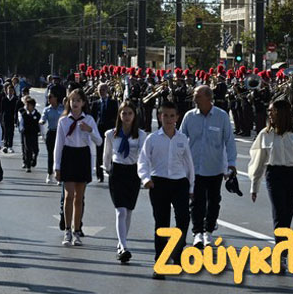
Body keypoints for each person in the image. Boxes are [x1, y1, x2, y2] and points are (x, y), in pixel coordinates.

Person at [248, 99, 293, 270]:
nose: (269, 114)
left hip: (292, 175)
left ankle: (283, 250)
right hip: (274, 175)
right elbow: (259, 161)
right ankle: (281, 254)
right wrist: (254, 186)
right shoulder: (265, 134)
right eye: (269, 111)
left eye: (272, 111)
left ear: (282, 113)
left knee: (287, 216)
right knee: (279, 214)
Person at [138, 101, 194, 280]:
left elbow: (189, 164)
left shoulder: (182, 138)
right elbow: (143, 161)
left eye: (172, 116)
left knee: (183, 219)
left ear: (177, 118)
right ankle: (160, 264)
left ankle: (177, 251)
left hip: (179, 183)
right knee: (161, 224)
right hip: (159, 183)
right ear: (159, 117)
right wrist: (146, 179)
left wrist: (191, 186)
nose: (169, 119)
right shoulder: (152, 138)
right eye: (165, 115)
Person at [179, 85, 237, 249]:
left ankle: (208, 232)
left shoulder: (221, 116)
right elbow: (181, 141)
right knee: (196, 201)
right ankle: (197, 232)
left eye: (197, 95)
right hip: (194, 167)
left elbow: (229, 141)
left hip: (215, 167)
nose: (194, 98)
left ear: (208, 98)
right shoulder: (189, 117)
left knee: (213, 201)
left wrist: (231, 164)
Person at [54, 88, 102, 247]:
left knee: (79, 197)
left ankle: (76, 230)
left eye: (78, 100)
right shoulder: (63, 121)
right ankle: (67, 230)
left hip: (82, 156)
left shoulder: (88, 120)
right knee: (68, 195)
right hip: (68, 155)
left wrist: (90, 131)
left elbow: (99, 141)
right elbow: (59, 144)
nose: (75, 103)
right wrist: (57, 166)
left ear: (83, 103)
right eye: (72, 100)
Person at [103, 101, 146, 264]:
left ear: (134, 116)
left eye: (130, 113)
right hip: (117, 172)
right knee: (120, 210)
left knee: (128, 211)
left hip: (133, 173)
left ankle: (122, 242)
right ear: (119, 116)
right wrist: (107, 169)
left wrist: (144, 175)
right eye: (124, 113)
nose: (126, 117)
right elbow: (107, 155)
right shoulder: (111, 134)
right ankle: (123, 246)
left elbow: (143, 155)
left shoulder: (141, 135)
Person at [90, 83, 119, 183]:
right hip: (99, 129)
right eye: (99, 89)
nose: (101, 91)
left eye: (103, 89)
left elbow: (117, 116)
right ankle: (99, 175)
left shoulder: (113, 102)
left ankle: (111, 171)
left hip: (110, 130)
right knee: (99, 151)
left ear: (107, 91)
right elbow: (92, 118)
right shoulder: (95, 103)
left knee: (110, 151)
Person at [40, 92, 64, 184]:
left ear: (56, 98)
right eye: (48, 97)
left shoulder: (62, 108)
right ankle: (49, 173)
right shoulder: (47, 109)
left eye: (51, 97)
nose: (49, 99)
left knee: (60, 154)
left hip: (60, 133)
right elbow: (43, 118)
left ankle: (59, 175)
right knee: (51, 154)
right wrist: (42, 121)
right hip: (51, 133)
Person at [18, 97, 41, 173]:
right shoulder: (24, 114)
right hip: (26, 133)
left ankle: (34, 159)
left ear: (33, 106)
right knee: (28, 149)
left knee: (36, 149)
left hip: (34, 133)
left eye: (29, 105)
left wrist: (42, 134)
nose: (27, 107)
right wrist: (21, 129)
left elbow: (40, 125)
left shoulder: (37, 115)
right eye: (26, 105)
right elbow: (21, 123)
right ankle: (28, 166)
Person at [0, 84, 21, 153]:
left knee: (11, 131)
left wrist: (17, 119)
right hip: (5, 117)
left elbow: (17, 110)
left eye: (11, 90)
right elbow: (1, 109)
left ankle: (10, 146)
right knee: (5, 131)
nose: (10, 92)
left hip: (12, 117)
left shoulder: (16, 99)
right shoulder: (4, 99)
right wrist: (0, 117)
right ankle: (5, 145)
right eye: (9, 90)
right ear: (6, 91)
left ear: (13, 91)